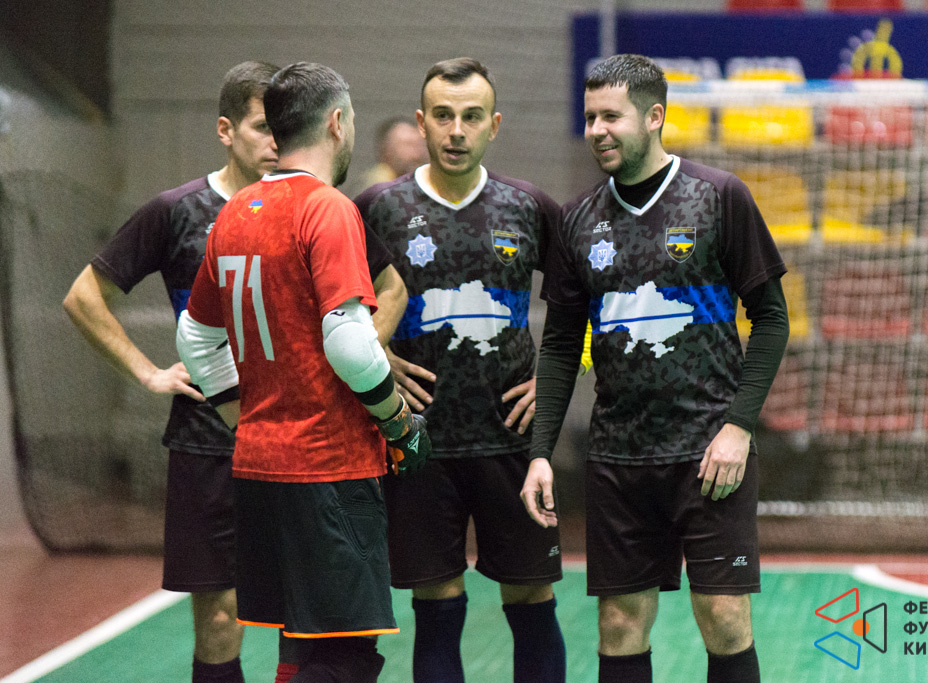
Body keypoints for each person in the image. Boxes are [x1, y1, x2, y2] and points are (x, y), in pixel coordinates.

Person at [521, 54, 790, 683]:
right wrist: (540, 453)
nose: (597, 130)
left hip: (710, 453)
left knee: (724, 618)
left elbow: (771, 319)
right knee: (619, 625)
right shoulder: (577, 220)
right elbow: (559, 346)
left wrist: (739, 427)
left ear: (654, 116)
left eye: (611, 117)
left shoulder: (719, 196)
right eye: (590, 117)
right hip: (619, 459)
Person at [176, 61, 431, 683]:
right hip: (328, 468)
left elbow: (194, 336)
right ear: (337, 123)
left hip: (258, 467)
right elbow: (349, 343)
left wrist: (243, 418)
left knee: (303, 645)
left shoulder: (236, 211)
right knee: (345, 656)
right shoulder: (327, 208)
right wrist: (398, 421)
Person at [62, 61, 280, 683]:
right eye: (263, 127)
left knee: (309, 615)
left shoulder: (310, 210)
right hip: (207, 441)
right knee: (220, 618)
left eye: (286, 129)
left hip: (295, 439)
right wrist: (148, 372)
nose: (276, 142)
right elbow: (83, 297)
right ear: (225, 130)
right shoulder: (176, 211)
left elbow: (379, 291)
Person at [354, 57, 566, 683]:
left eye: (471, 117)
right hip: (418, 441)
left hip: (513, 441)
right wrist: (375, 355)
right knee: (436, 607)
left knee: (531, 599)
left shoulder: (529, 206)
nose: (456, 131)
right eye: (443, 116)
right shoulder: (376, 207)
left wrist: (557, 377)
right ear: (421, 123)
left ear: (493, 125)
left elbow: (587, 303)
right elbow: (331, 305)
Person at [357, 116, 429, 193]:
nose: (417, 155)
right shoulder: (377, 185)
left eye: (419, 145)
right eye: (408, 145)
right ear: (386, 151)